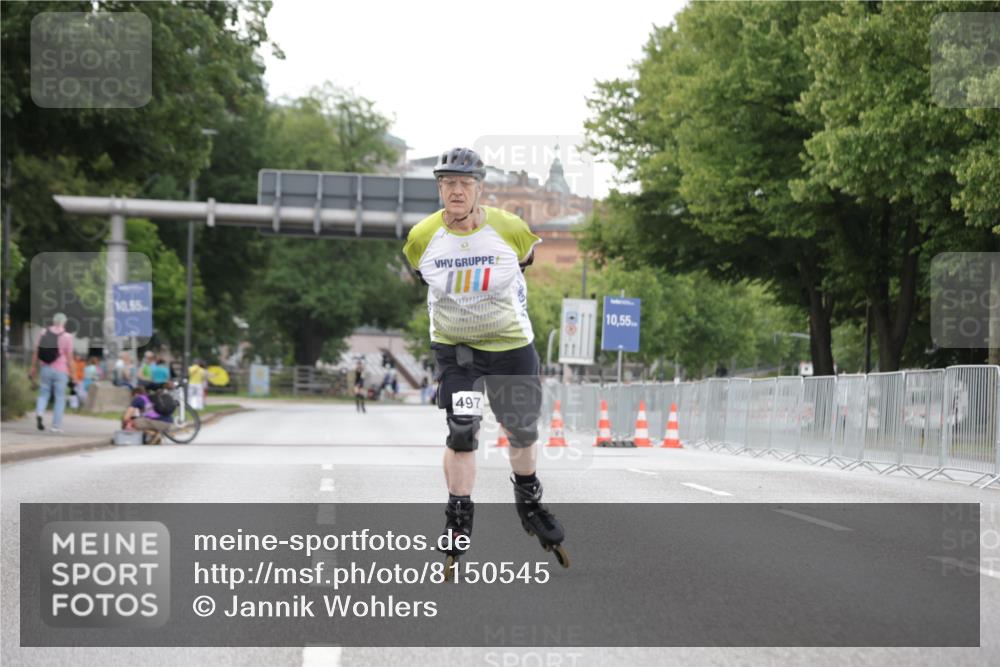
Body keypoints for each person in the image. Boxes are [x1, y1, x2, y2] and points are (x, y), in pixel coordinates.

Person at [402, 147, 567, 569]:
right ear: (439, 188)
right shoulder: (423, 237)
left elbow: (527, 260)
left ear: (480, 188)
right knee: (462, 428)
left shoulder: (509, 228)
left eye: (464, 183)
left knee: (521, 430)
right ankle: (458, 516)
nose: (456, 191)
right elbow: (419, 272)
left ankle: (529, 501)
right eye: (448, 184)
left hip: (511, 347)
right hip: (458, 353)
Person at [29, 313, 75, 433]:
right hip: (61, 370)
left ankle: (39, 412)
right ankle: (55, 426)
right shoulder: (67, 337)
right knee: (60, 397)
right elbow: (70, 358)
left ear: (54, 321)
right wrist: (73, 375)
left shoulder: (44, 332)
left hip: (46, 368)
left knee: (44, 393)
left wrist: (33, 367)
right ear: (64, 322)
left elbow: (37, 351)